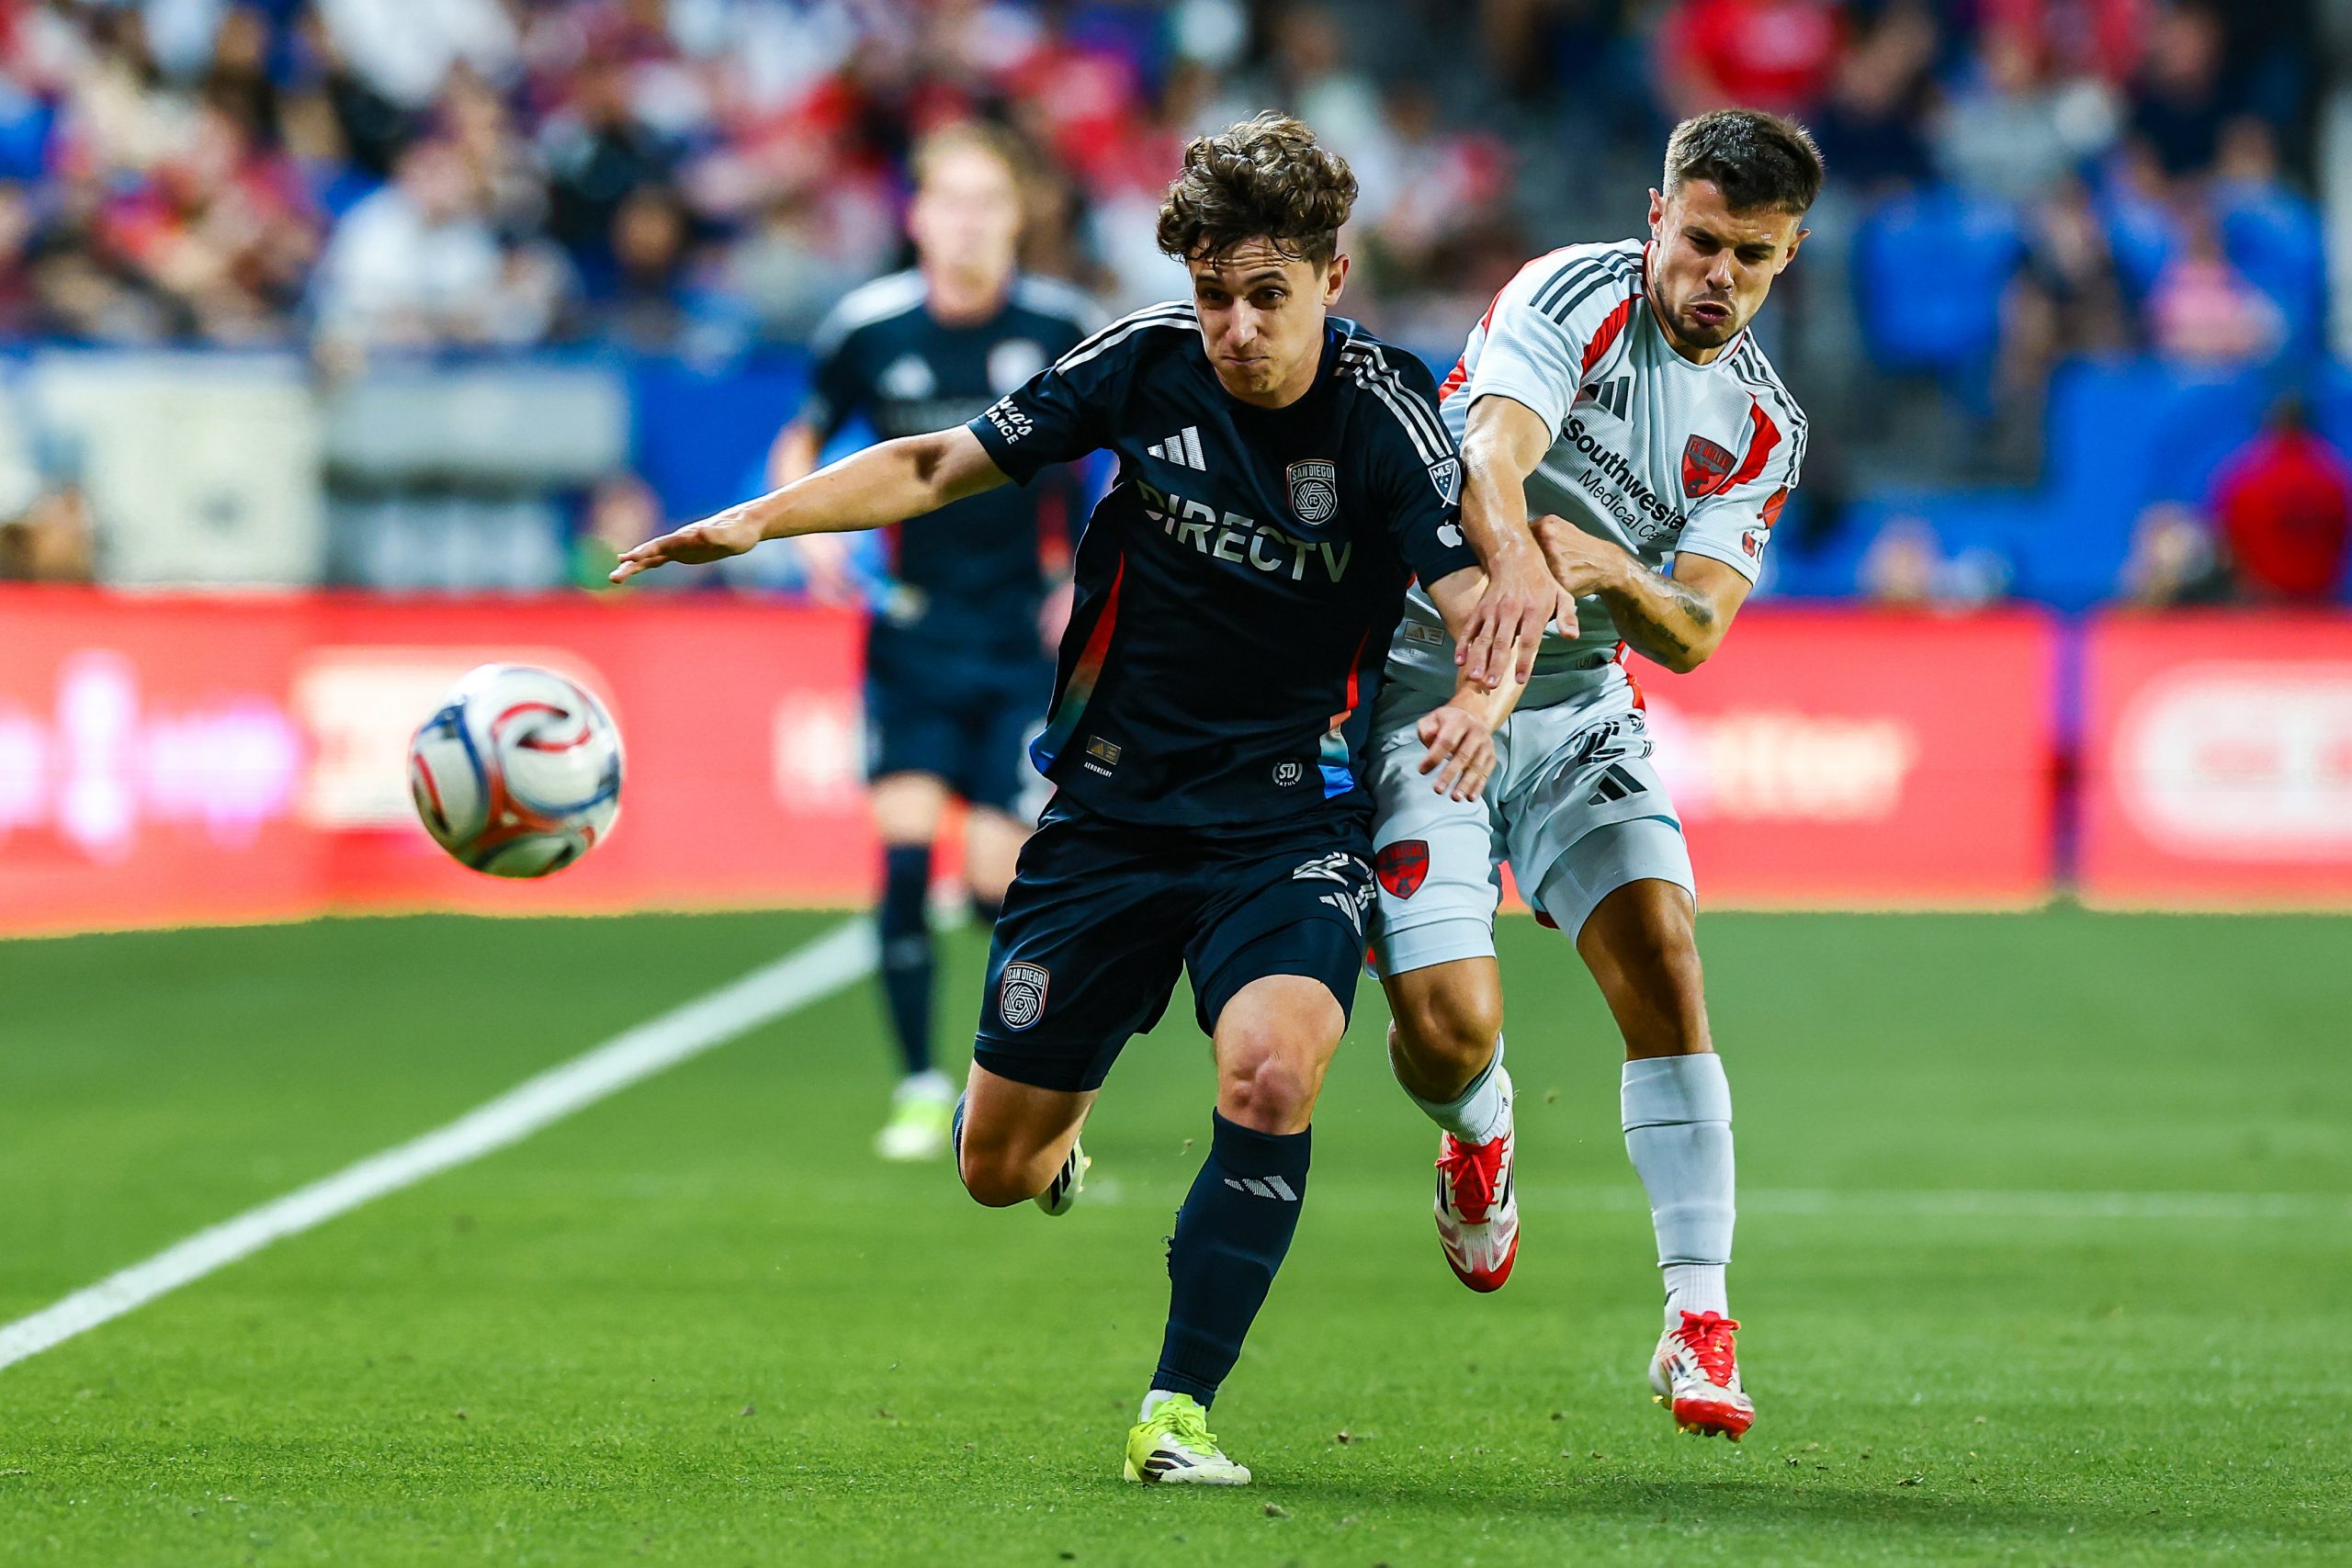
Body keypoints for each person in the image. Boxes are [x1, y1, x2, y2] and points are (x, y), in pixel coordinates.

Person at [613, 113, 1541, 1486]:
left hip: (1287, 810)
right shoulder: (1142, 361)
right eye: (1212, 291)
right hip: (1107, 811)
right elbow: (938, 461)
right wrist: (763, 518)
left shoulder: (1381, 410)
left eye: (1264, 296)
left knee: (1275, 1068)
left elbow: (1482, 594)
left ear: (1332, 279)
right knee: (992, 1164)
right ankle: (1059, 1142)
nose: (1232, 324)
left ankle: (1179, 1405)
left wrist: (1482, 699)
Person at [1368, 107, 1817, 1443]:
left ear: (1786, 259)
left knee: (1666, 956)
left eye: (1750, 254)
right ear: (1655, 217)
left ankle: (1698, 1313)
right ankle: (1480, 1124)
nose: (1716, 275)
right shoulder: (1572, 292)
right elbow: (1490, 456)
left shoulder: (1763, 429)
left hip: (1574, 710)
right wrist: (1514, 577)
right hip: (1419, 681)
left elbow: (1692, 632)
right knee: (1445, 1028)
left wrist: (1618, 570)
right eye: (1698, 240)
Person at [763, 124, 1097, 1162]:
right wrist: (803, 535)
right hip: (911, 633)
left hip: (1019, 641)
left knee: (1001, 879)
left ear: (1016, 215)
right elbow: (805, 436)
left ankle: (993, 1088)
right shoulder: (869, 327)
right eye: (948, 201)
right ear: (915, 217)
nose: (967, 221)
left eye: (987, 201)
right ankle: (916, 1085)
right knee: (903, 853)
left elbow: (1128, 454)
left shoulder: (1060, 324)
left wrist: (1087, 577)